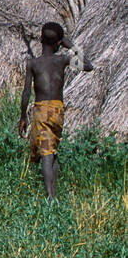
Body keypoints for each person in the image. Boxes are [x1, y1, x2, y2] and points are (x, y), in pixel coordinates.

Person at [18, 21, 93, 199]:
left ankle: (50, 199)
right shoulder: (63, 60)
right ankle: (53, 193)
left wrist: (23, 117)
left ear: (41, 39)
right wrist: (71, 45)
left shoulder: (33, 63)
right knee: (53, 150)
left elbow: (27, 91)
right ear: (59, 43)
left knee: (46, 153)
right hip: (58, 111)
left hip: (42, 110)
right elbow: (89, 66)